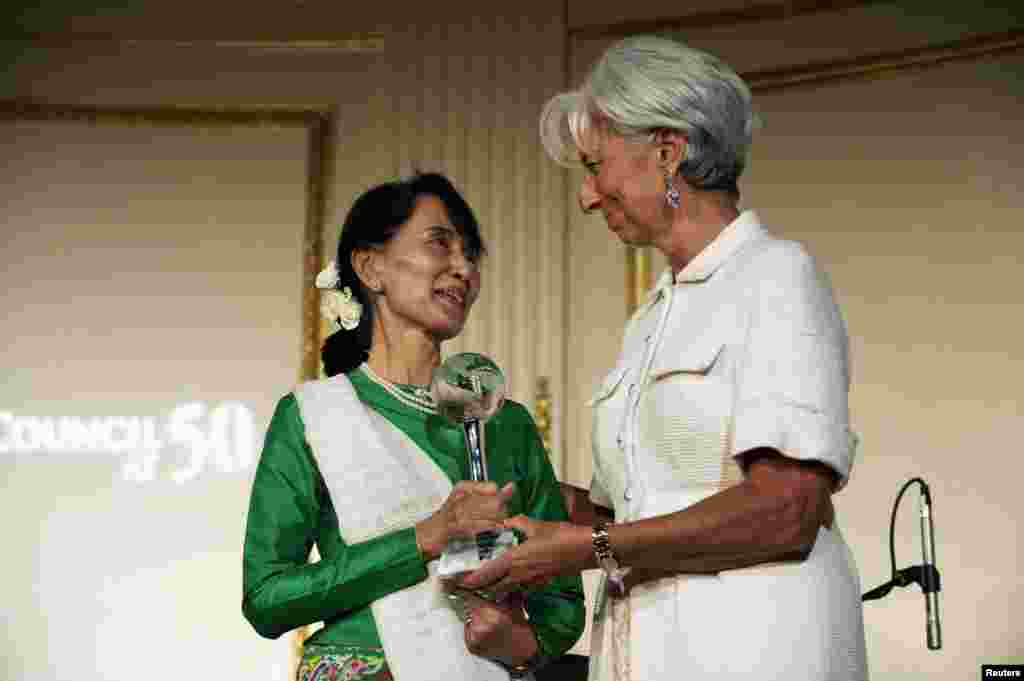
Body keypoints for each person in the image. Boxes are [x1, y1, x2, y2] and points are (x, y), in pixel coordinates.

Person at [459, 36, 868, 680]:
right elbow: (639, 509)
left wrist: (585, 549)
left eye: (596, 167)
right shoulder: (654, 314)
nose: (587, 196)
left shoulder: (775, 277)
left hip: (755, 651)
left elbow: (787, 509)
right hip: (648, 652)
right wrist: (517, 503)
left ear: (668, 154)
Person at [242, 173, 585, 681]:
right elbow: (267, 599)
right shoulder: (313, 417)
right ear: (370, 266)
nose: (463, 268)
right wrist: (427, 537)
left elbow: (562, 601)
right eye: (440, 243)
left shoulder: (505, 423)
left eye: (471, 255)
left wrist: (521, 641)